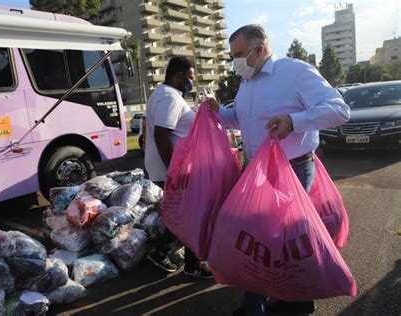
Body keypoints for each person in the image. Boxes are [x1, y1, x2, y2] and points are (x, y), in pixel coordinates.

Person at [207, 24, 350, 315]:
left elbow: (339, 109)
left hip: (293, 170)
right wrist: (218, 112)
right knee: (260, 240)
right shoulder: (248, 82)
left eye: (238, 54)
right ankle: (272, 301)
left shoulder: (295, 72)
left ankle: (284, 302)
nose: (234, 62)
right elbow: (240, 120)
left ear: (259, 50)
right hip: (257, 172)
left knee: (281, 240)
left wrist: (294, 121)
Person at [144, 56, 212, 278]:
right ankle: (186, 261)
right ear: (179, 76)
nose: (191, 82)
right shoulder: (170, 98)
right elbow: (162, 135)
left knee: (184, 216)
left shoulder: (162, 94)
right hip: (174, 171)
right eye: (190, 78)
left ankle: (169, 253)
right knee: (192, 216)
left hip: (171, 169)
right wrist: (174, 172)